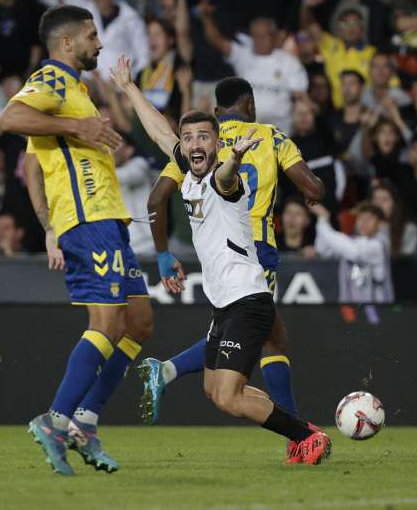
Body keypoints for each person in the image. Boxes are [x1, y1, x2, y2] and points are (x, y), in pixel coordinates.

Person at [111, 93, 332, 464]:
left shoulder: (221, 180)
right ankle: (304, 432)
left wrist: (236, 158)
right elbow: (159, 133)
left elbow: (227, 177)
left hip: (247, 299)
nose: (195, 144)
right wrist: (129, 88)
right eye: (189, 138)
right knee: (215, 391)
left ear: (217, 143)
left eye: (203, 137)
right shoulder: (188, 169)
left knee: (231, 395)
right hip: (224, 304)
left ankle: (306, 437)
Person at [0, 6, 153, 476]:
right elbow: (8, 117)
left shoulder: (75, 91)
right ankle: (56, 419)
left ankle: (84, 421)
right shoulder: (53, 79)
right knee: (107, 325)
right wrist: (77, 126)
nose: (99, 43)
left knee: (139, 323)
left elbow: (33, 167)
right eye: (91, 35)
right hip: (88, 221)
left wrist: (46, 228)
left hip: (108, 219)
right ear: (67, 43)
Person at [199, 14, 308, 133]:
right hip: (247, 132)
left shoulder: (289, 62)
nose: (259, 40)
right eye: (255, 36)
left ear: (274, 36)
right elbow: (216, 40)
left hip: (280, 132)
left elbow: (300, 97)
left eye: (263, 35)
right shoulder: (243, 56)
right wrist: (206, 17)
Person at [312, 201, 394, 303]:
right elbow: (323, 249)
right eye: (361, 218)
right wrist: (322, 220)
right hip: (350, 309)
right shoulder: (351, 242)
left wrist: (324, 218)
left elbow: (353, 251)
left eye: (369, 218)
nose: (364, 222)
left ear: (380, 224)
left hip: (378, 311)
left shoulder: (379, 244)